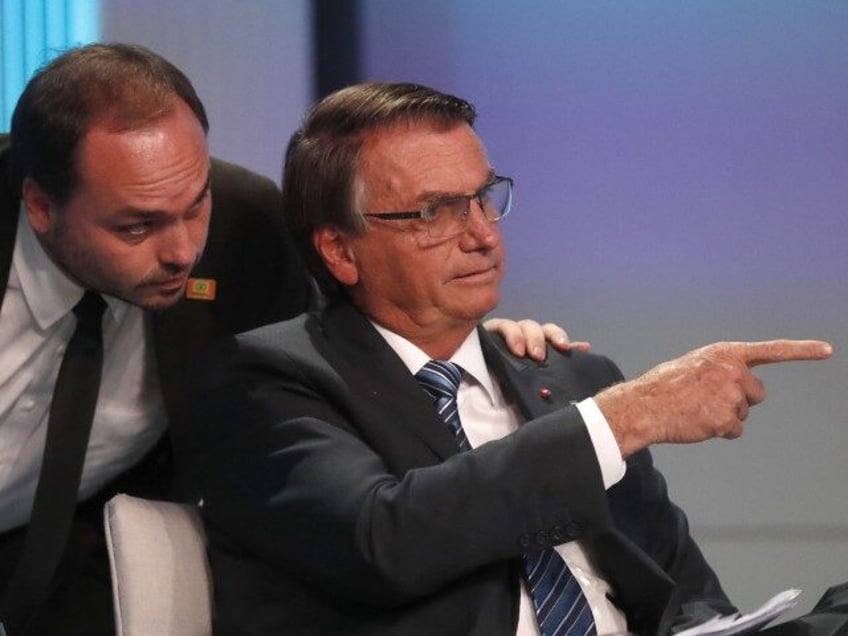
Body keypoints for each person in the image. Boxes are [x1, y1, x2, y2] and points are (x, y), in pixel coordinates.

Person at [178, 82, 844, 636]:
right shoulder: (266, 380)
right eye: (434, 212)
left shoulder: (569, 377)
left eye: (483, 197)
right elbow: (384, 538)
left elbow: (678, 591)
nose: (480, 234)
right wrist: (622, 418)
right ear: (341, 251)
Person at [0, 46, 574, 636]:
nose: (182, 250)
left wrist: (470, 344)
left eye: (196, 203)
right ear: (41, 206)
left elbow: (353, 344)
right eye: (136, 226)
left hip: (73, 558)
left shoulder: (246, 231)